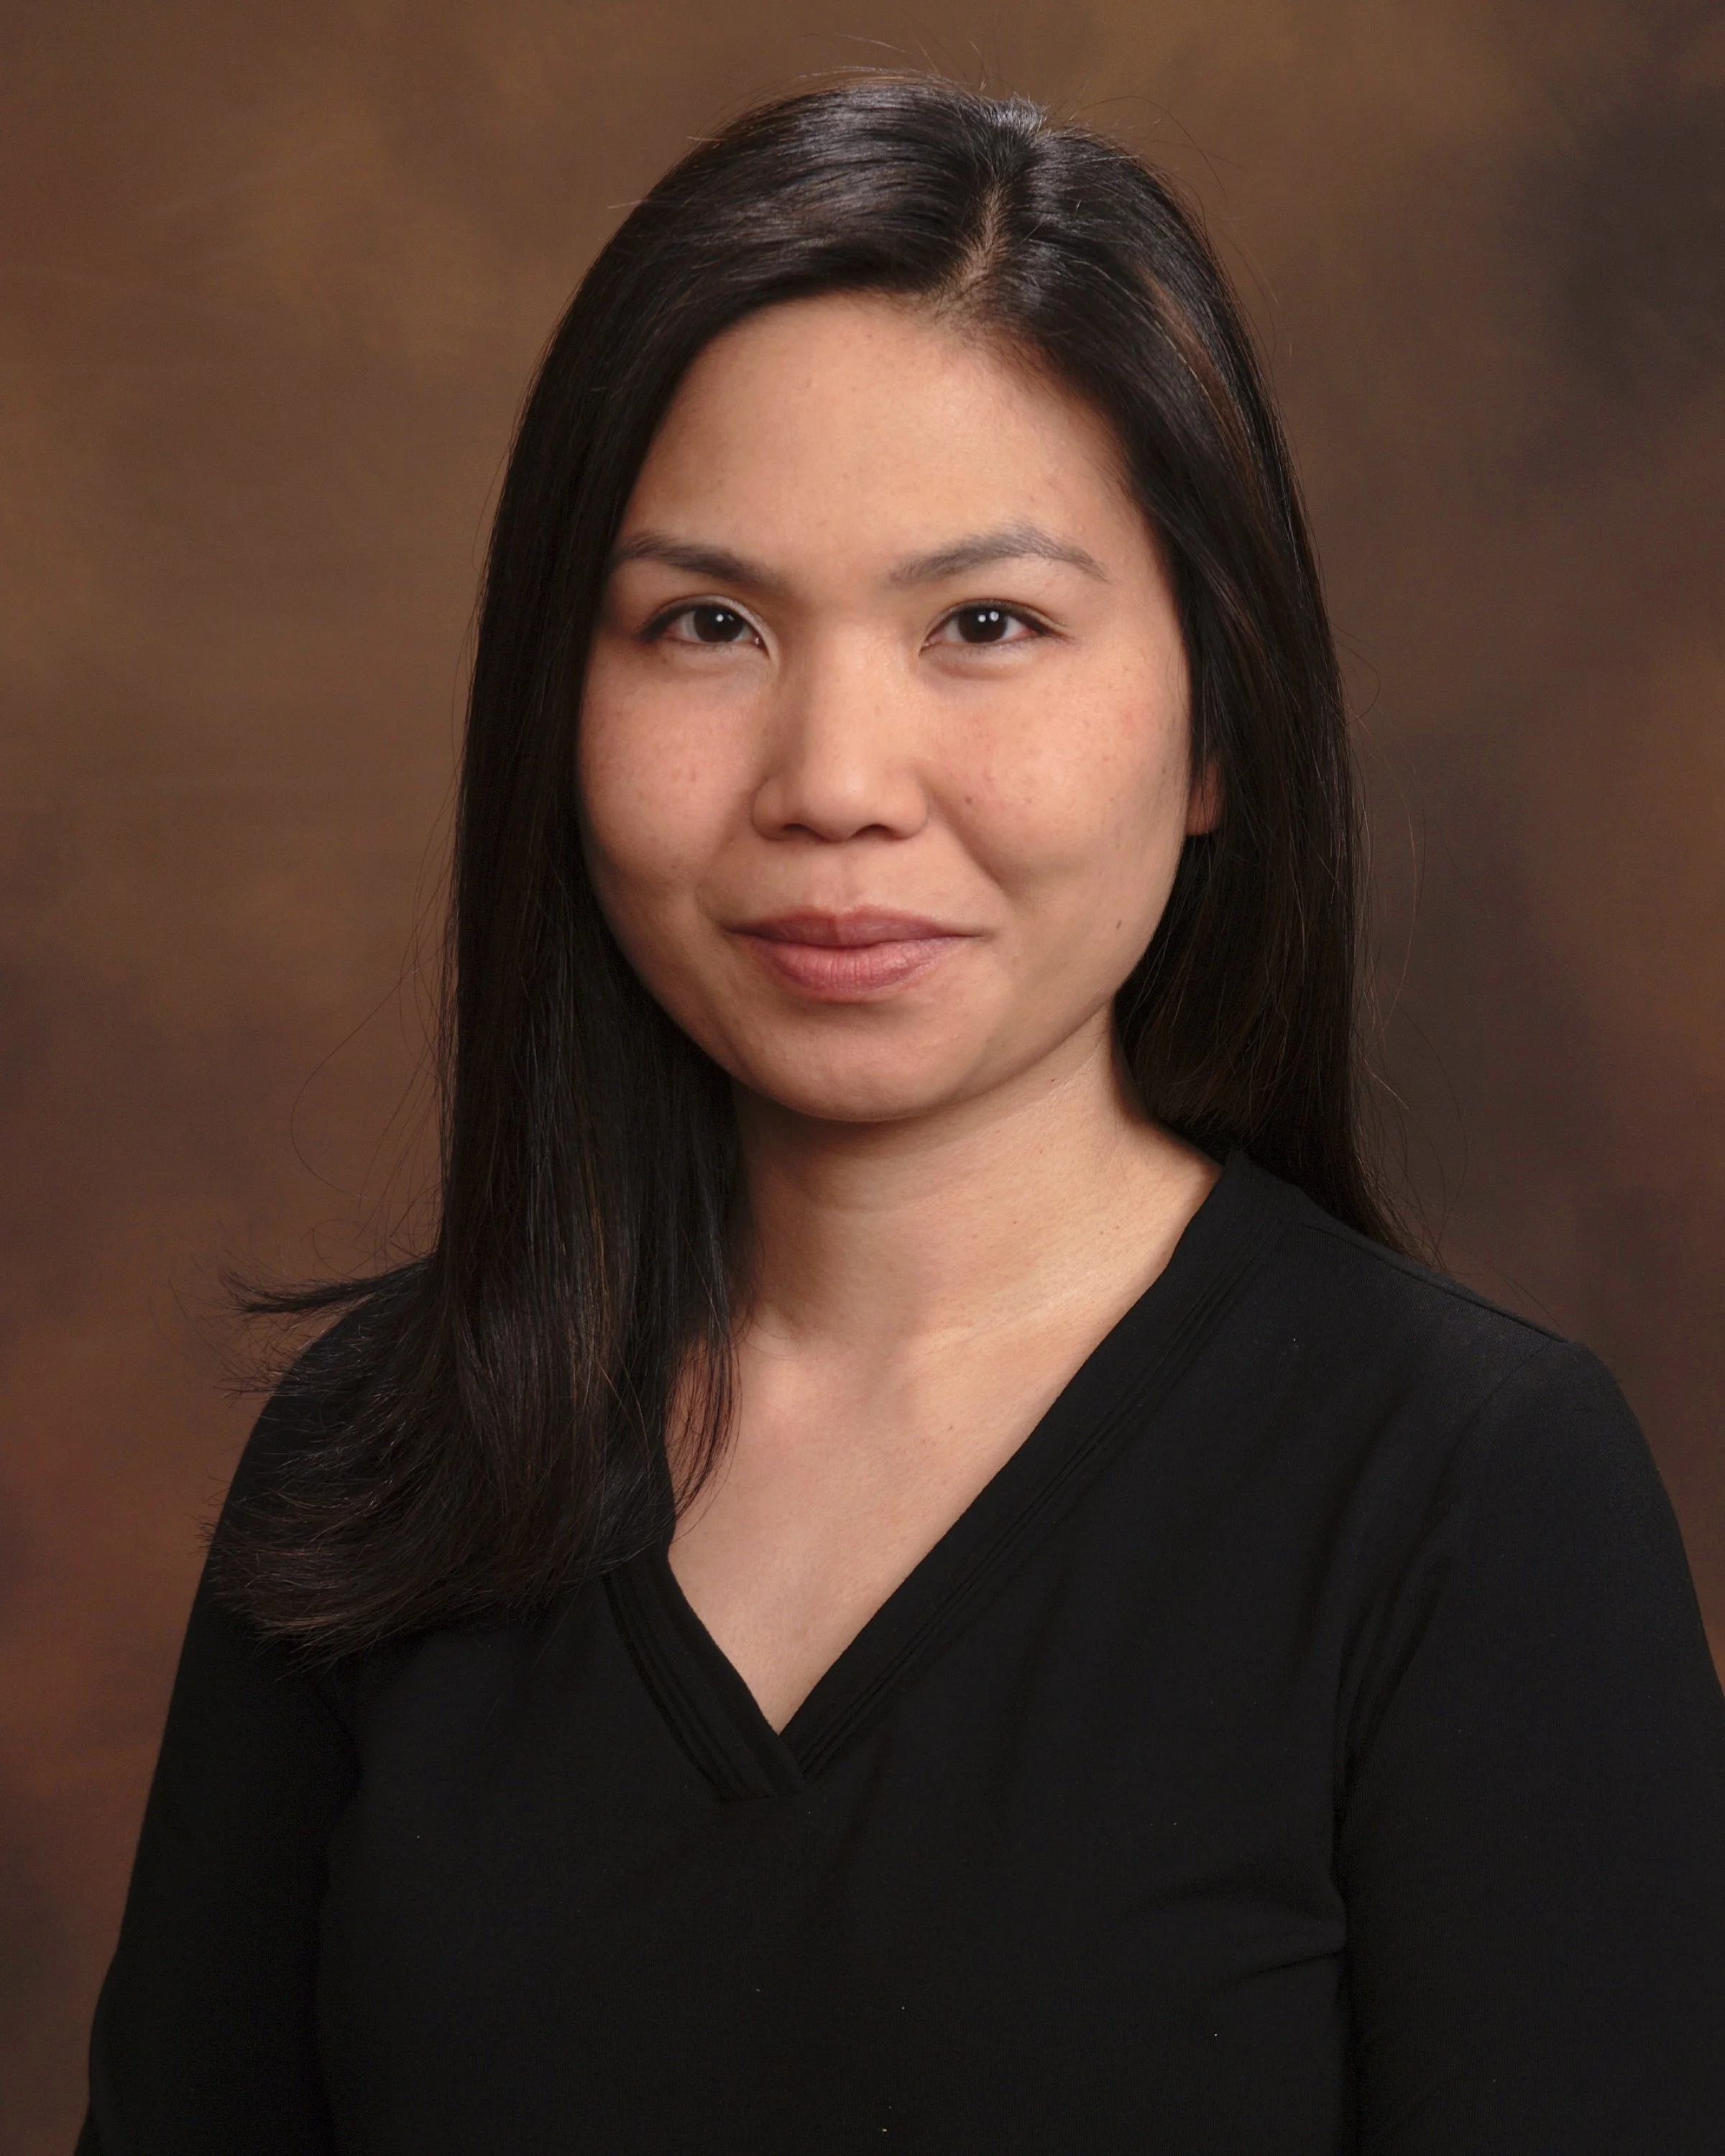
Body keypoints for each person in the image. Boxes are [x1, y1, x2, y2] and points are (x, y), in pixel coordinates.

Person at [80, 75, 1725, 2155]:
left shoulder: (1465, 1498)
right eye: (709, 624)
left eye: (987, 626)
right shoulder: (374, 1453)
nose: (835, 780)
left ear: (1219, 720)